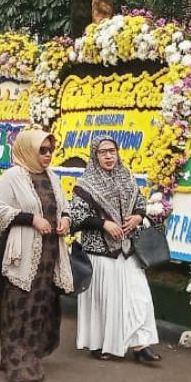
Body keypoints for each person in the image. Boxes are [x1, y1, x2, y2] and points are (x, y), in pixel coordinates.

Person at [0, 129, 73, 382]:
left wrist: (66, 220)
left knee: (40, 305)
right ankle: (17, 362)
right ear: (28, 150)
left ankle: (30, 354)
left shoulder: (52, 176)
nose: (47, 156)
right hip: (20, 254)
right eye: (42, 150)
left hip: (49, 255)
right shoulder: (12, 176)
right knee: (17, 307)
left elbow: (63, 206)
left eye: (50, 150)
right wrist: (31, 219)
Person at [70, 137, 161, 363]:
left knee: (139, 296)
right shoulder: (86, 184)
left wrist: (138, 216)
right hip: (101, 251)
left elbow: (140, 201)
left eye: (112, 151)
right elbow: (76, 216)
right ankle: (100, 344)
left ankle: (141, 345)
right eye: (103, 152)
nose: (109, 156)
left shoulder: (127, 177)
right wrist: (103, 224)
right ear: (95, 155)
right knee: (104, 300)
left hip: (127, 249)